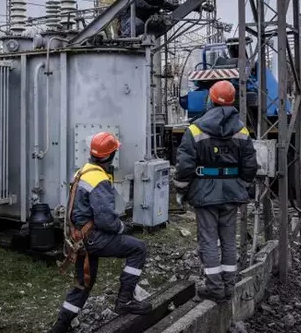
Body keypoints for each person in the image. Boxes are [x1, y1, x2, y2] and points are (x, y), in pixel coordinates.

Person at [49, 132, 152, 333]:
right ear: (110, 155)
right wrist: (123, 227)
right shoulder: (99, 179)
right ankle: (124, 300)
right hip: (93, 239)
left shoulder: (82, 172)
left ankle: (60, 326)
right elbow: (106, 221)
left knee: (83, 283)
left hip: (79, 239)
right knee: (138, 249)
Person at [173, 80, 258, 303]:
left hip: (204, 193)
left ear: (210, 99)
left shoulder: (195, 128)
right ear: (232, 101)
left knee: (209, 240)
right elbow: (250, 165)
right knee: (229, 239)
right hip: (231, 192)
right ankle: (230, 286)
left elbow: (184, 165)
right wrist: (243, 185)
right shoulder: (241, 129)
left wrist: (181, 189)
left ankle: (215, 288)